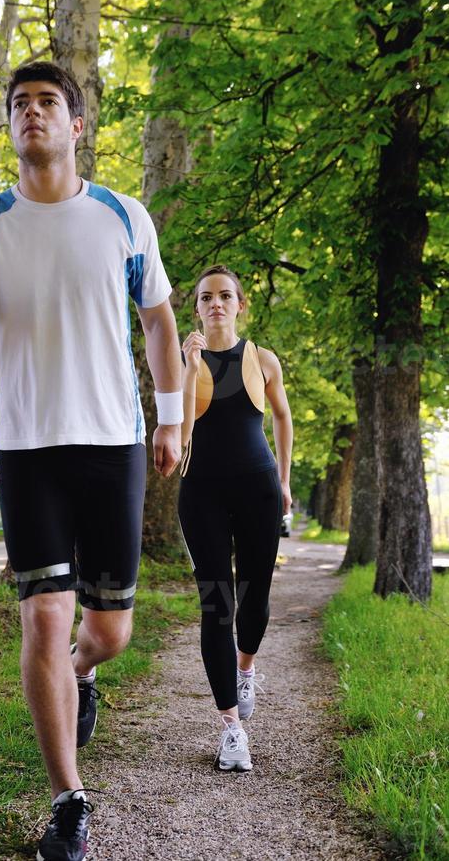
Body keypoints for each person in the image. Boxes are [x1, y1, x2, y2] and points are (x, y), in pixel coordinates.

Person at [0, 61, 182, 861]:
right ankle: (69, 802)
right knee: (43, 614)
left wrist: (170, 422)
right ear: (10, 127)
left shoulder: (123, 217)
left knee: (109, 632)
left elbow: (161, 325)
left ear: (76, 127)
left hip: (114, 444)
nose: (33, 113)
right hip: (28, 448)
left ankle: (82, 676)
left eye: (48, 103)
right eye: (19, 104)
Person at [178, 264, 293, 772]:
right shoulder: (187, 362)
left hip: (258, 490)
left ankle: (245, 668)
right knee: (215, 604)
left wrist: (286, 480)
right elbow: (181, 429)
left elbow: (283, 417)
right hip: (199, 491)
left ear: (240, 304)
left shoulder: (263, 360)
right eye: (206, 298)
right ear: (197, 307)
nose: (216, 304)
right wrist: (187, 365)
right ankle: (231, 727)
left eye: (226, 296)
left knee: (254, 596)